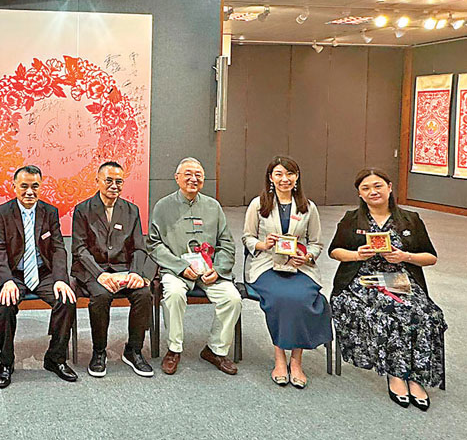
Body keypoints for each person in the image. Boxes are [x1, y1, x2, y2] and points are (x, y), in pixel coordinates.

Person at [329, 168, 446, 411]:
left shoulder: (410, 219)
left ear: (390, 187)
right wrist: (357, 255)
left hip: (401, 279)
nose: (373, 192)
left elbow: (430, 257)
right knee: (390, 313)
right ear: (360, 194)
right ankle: (396, 374)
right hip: (361, 281)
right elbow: (335, 251)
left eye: (378, 186)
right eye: (366, 188)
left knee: (426, 314)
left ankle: (416, 376)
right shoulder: (352, 219)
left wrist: (406, 256)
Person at [241, 156, 332, 389]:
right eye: (279, 174)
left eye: (290, 174)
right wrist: (263, 244)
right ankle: (280, 358)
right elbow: (248, 237)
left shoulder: (308, 207)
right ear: (270, 178)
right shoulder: (258, 205)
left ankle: (297, 361)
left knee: (302, 298)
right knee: (281, 298)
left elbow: (316, 243)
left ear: (297, 177)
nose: (284, 179)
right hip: (266, 265)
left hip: (299, 267)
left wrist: (307, 256)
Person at [147, 157, 241, 376]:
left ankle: (215, 350)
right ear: (177, 178)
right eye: (187, 174)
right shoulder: (163, 206)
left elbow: (227, 243)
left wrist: (218, 269)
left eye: (198, 175)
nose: (193, 179)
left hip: (210, 271)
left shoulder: (213, 206)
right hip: (176, 270)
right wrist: (180, 267)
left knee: (232, 298)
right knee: (173, 294)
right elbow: (153, 244)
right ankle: (174, 349)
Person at [0, 165, 77, 388]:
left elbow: (58, 248)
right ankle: (6, 362)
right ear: (14, 187)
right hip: (13, 273)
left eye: (35, 186)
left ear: (40, 187)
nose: (30, 191)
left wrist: (61, 279)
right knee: (5, 305)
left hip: (43, 272)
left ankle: (55, 358)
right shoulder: (1, 213)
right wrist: (6, 280)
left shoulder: (49, 212)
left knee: (66, 300)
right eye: (24, 186)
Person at [71, 161, 153, 378]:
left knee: (144, 294)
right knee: (101, 296)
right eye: (108, 180)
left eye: (119, 181)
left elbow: (139, 247)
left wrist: (135, 273)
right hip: (93, 270)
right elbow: (79, 249)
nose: (114, 186)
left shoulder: (131, 210)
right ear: (97, 181)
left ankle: (133, 350)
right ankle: (99, 351)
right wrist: (100, 275)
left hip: (123, 268)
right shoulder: (83, 209)